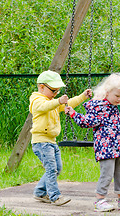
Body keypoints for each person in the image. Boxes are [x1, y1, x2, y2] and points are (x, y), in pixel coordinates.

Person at [65, 73, 120, 212]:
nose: (119, 99)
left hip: (117, 146)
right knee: (107, 174)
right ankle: (100, 200)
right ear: (107, 92)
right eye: (117, 96)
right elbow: (86, 122)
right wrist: (73, 113)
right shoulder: (99, 107)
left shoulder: (112, 105)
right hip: (105, 148)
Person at [30, 70, 92, 206]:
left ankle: (40, 192)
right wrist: (58, 101)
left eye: (57, 91)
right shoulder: (36, 100)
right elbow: (44, 106)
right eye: (53, 90)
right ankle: (55, 197)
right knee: (51, 169)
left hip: (51, 141)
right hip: (41, 142)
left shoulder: (53, 101)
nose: (55, 94)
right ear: (41, 87)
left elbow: (69, 103)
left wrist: (82, 96)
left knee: (57, 167)